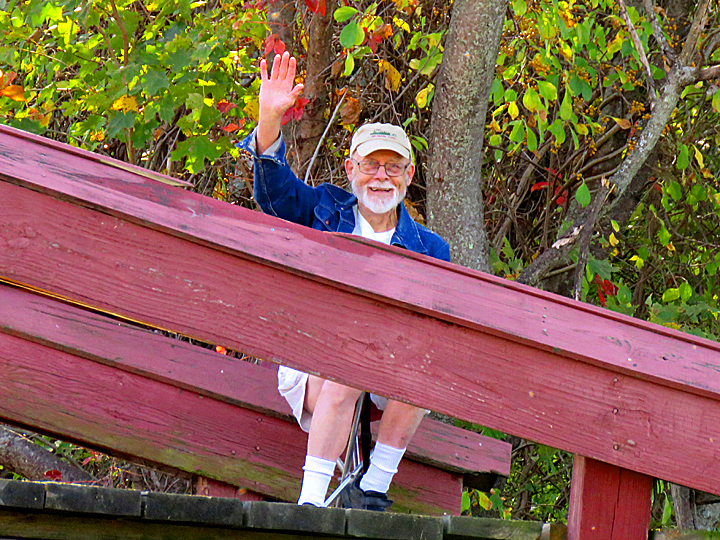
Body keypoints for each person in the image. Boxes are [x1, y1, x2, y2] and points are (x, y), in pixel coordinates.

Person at [237, 51, 450, 511]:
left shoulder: (431, 249)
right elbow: (274, 196)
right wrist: (269, 120)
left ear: (409, 177)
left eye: (393, 167)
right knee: (353, 364)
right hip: (316, 363)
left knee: (425, 366)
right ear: (351, 170)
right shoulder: (323, 211)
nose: (381, 177)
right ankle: (311, 505)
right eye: (371, 165)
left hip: (390, 372)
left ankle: (372, 486)